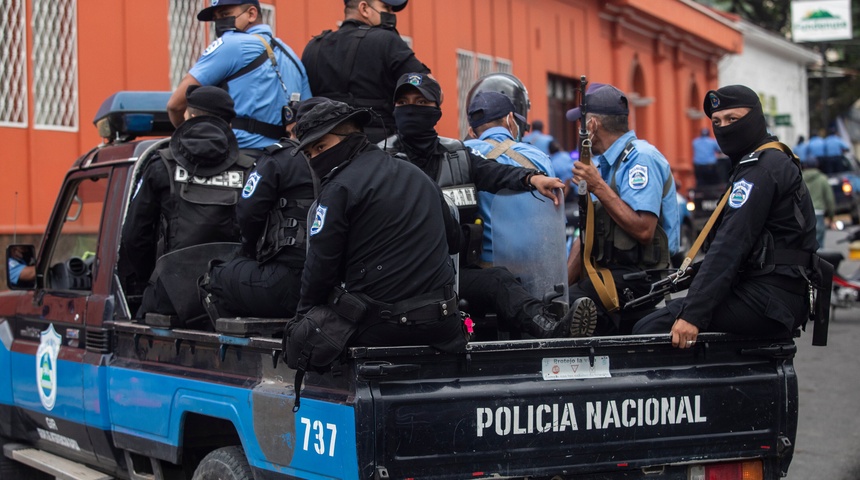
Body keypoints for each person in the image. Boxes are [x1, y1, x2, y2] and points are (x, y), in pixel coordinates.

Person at [380, 72, 595, 338]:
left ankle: (551, 327)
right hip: (398, 275)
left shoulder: (458, 155)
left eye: (422, 103)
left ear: (437, 110)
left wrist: (532, 178)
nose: (412, 109)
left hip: (450, 272)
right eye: (405, 103)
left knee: (498, 280)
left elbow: (495, 173)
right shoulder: (378, 160)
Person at [634, 85, 818, 347]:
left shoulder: (762, 168)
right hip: (768, 290)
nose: (724, 127)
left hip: (771, 296)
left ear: (755, 118)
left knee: (649, 329)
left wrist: (693, 313)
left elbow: (731, 244)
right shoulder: (758, 163)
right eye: (717, 122)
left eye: (733, 119)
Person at [292, 97, 466, 351]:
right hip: (443, 326)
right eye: (310, 154)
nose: (316, 159)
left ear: (351, 138)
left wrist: (301, 321)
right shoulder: (418, 175)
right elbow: (455, 241)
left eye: (321, 147)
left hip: (383, 328)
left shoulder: (338, 189)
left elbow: (320, 267)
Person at [122, 86, 255, 318]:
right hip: (231, 302)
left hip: (168, 303)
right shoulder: (250, 170)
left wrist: (156, 279)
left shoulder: (161, 165)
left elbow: (134, 236)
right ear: (229, 125)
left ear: (191, 117)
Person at [565, 83, 680, 335]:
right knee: (556, 304)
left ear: (593, 125)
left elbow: (644, 230)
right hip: (611, 273)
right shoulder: (605, 164)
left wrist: (598, 186)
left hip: (642, 277)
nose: (580, 129)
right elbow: (585, 237)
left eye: (582, 123)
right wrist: (559, 286)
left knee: (570, 309)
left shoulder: (640, 158)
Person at [167, 0, 311, 149]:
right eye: (216, 18)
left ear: (251, 14)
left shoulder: (232, 44)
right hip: (285, 158)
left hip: (238, 156)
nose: (220, 22)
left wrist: (187, 135)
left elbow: (175, 105)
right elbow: (308, 113)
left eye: (225, 14)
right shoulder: (291, 55)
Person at [200, 136, 315, 319]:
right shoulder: (354, 163)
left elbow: (248, 213)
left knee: (213, 279)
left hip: (288, 282)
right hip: (337, 288)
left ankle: (235, 346)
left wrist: (249, 251)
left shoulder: (279, 157)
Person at [301, 0, 430, 143]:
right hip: (380, 149)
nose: (391, 14)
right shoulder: (387, 41)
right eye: (386, 8)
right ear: (364, 8)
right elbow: (432, 90)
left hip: (324, 149)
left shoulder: (313, 47)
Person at [464, 90, 556, 264]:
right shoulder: (539, 157)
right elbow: (554, 223)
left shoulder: (460, 153)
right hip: (534, 269)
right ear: (510, 120)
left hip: (481, 272)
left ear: (471, 131)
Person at [801, 158, 836, 250]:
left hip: (802, 214)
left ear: (804, 166)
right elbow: (829, 198)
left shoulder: (799, 178)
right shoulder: (822, 178)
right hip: (819, 213)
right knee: (819, 245)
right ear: (817, 166)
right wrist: (831, 217)